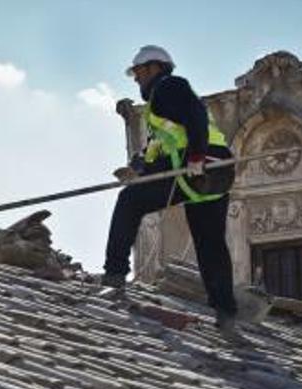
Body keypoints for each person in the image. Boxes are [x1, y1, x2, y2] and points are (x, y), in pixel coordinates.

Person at [101, 45, 238, 330]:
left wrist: (198, 156)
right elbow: (160, 150)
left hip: (199, 165)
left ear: (154, 68)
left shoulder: (168, 86)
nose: (137, 79)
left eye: (138, 72)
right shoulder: (161, 107)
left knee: (129, 201)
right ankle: (226, 313)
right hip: (216, 170)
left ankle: (114, 276)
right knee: (210, 242)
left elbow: (196, 116)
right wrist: (138, 168)